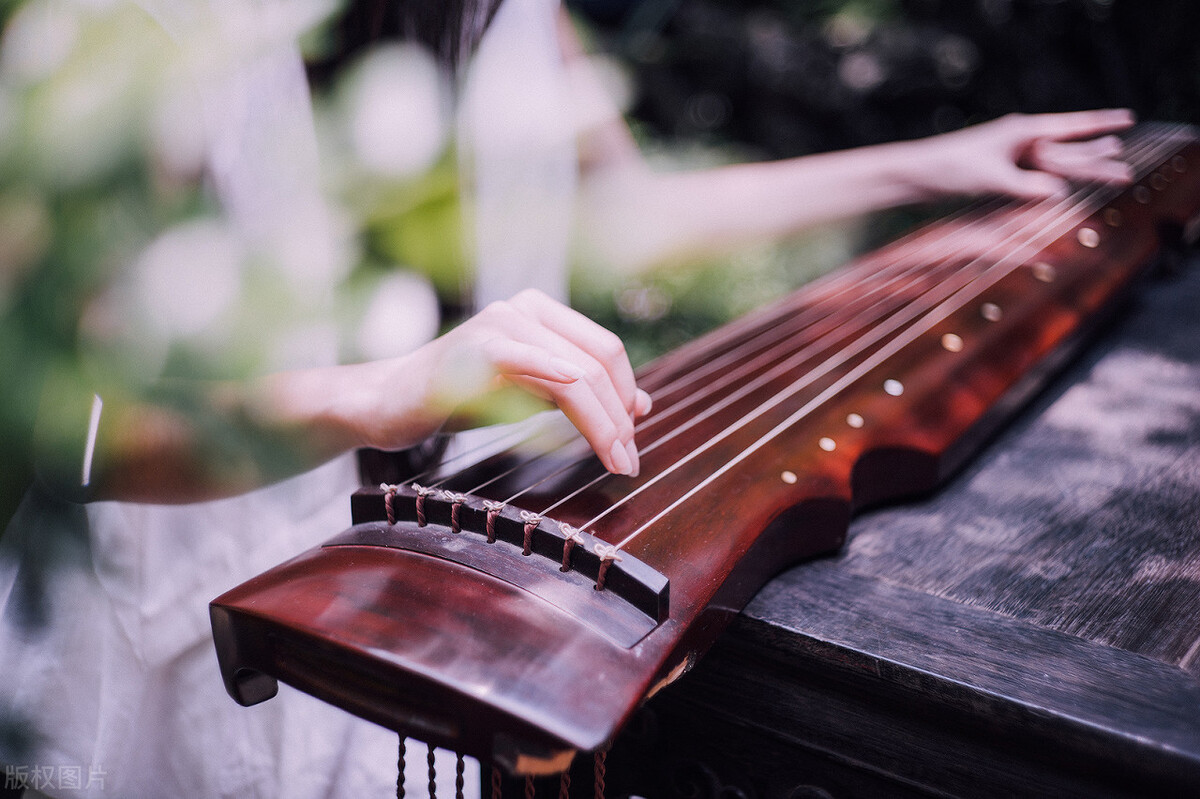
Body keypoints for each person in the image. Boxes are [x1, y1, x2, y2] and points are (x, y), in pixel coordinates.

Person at [0, 0, 1134, 797]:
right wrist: (390, 389)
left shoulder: (510, 10)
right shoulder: (132, 29)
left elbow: (632, 208)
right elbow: (75, 426)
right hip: (198, 631)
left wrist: (937, 165)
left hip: (464, 588)